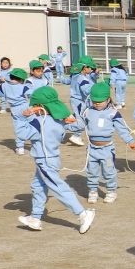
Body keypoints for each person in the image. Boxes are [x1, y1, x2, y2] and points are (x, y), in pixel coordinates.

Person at [15, 87, 96, 234]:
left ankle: (82, 214)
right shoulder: (59, 120)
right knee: (37, 186)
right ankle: (35, 217)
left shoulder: (38, 122)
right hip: (52, 158)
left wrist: (23, 117)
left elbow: (21, 134)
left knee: (58, 188)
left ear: (40, 107)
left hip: (45, 161)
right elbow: (79, 125)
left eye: (34, 105)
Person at [81, 82, 135, 204]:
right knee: (91, 171)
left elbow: (122, 129)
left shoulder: (113, 113)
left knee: (109, 171)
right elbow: (80, 125)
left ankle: (111, 191)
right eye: (94, 100)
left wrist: (130, 140)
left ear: (108, 99)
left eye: (100, 101)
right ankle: (92, 191)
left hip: (106, 149)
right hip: (91, 148)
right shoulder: (87, 112)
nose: (96, 103)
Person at [0, 68, 30, 155]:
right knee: (31, 124)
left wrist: (3, 81)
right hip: (26, 107)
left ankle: (20, 148)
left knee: (18, 127)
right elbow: (33, 94)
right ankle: (36, 143)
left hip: (14, 109)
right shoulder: (24, 87)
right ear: (21, 79)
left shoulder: (4, 86)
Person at [60, 62, 86, 146]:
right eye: (84, 68)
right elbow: (86, 90)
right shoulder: (81, 78)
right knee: (82, 122)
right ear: (81, 70)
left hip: (77, 100)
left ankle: (76, 135)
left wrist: (61, 78)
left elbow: (66, 81)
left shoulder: (73, 76)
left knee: (78, 117)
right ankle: (62, 127)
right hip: (78, 101)